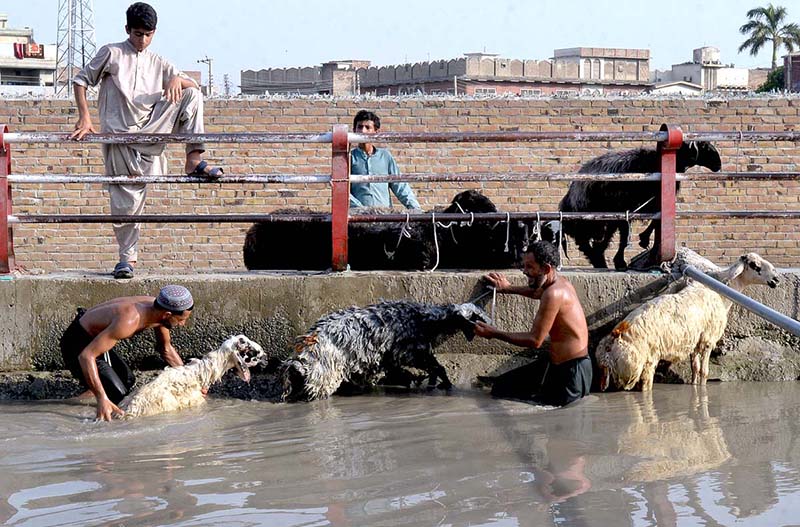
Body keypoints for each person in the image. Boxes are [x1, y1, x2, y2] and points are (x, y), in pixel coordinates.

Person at [70, 2, 224, 279]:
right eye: (138, 33)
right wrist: (85, 118)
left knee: (192, 95)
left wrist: (178, 79)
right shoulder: (112, 53)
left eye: (148, 34)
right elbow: (81, 81)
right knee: (126, 205)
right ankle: (127, 260)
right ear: (127, 29)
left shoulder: (162, 63)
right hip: (120, 138)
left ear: (154, 33)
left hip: (152, 131)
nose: (142, 40)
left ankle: (194, 159)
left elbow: (193, 87)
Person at [474, 240, 592, 406]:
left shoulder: (554, 293)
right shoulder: (557, 282)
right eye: (524, 266)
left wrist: (494, 333)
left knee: (560, 422)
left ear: (546, 269)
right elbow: (536, 292)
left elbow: (535, 340)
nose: (524, 271)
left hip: (573, 372)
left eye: (530, 267)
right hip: (560, 365)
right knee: (501, 387)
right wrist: (507, 288)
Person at [59, 284, 194, 421]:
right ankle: (76, 404)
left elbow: (165, 349)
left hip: (95, 341)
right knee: (120, 398)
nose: (182, 324)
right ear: (167, 315)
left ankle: (89, 396)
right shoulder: (129, 321)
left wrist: (191, 381)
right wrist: (102, 398)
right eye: (181, 320)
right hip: (77, 344)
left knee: (128, 380)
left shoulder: (161, 309)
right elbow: (86, 356)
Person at [349, 109, 421, 209]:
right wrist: (360, 209)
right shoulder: (349, 157)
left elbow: (400, 185)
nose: (363, 131)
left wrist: (416, 209)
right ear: (354, 130)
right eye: (359, 127)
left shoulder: (385, 156)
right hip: (357, 218)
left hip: (384, 217)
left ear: (376, 132)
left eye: (367, 127)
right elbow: (343, 192)